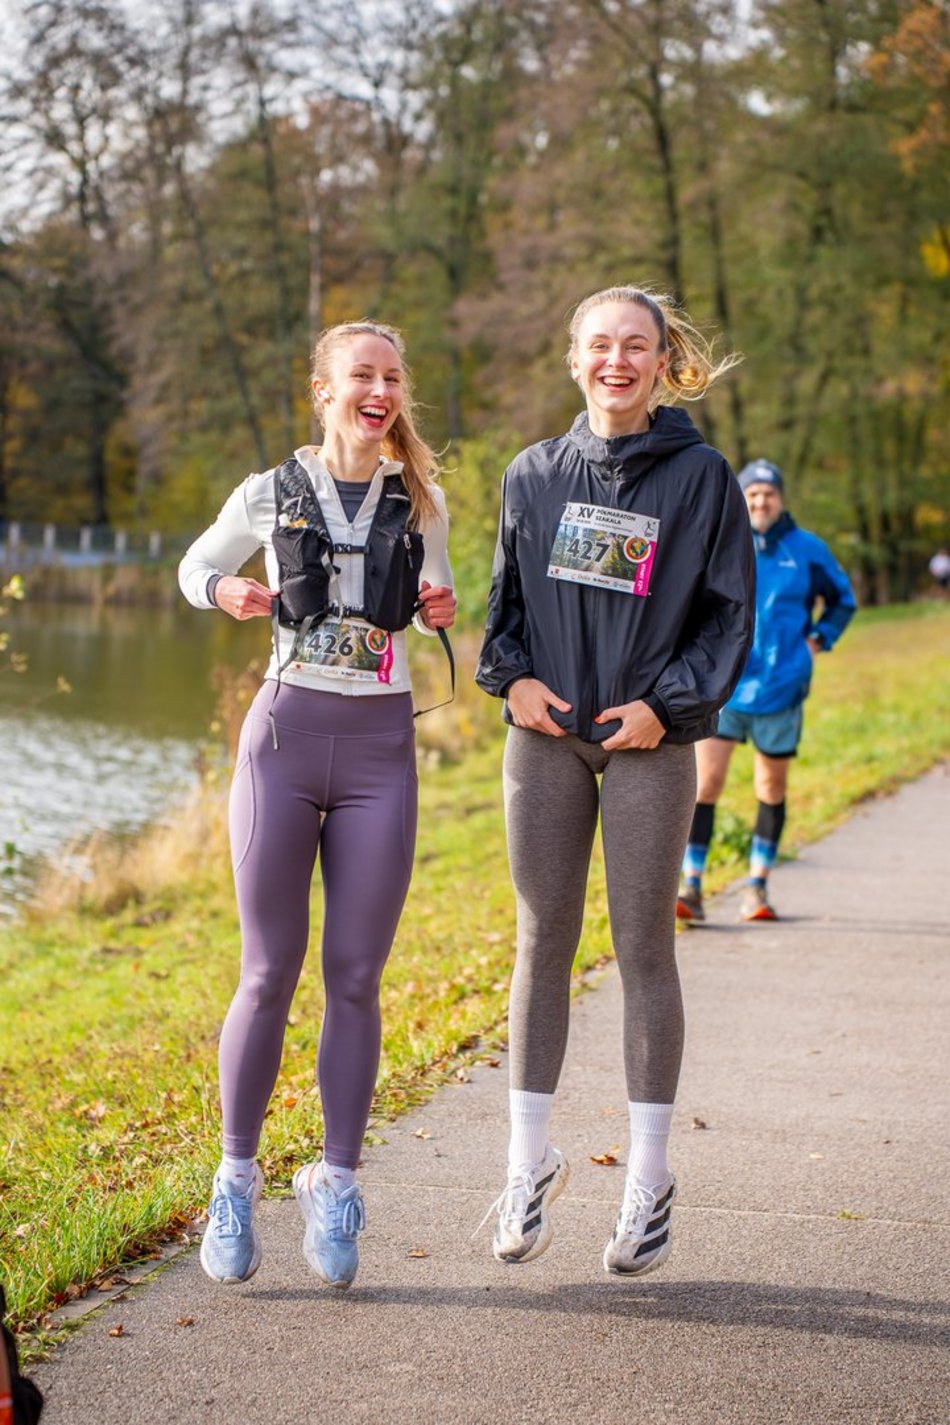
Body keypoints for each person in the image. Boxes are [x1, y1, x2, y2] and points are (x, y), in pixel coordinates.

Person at [474, 284, 754, 1277]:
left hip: (649, 741)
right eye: (599, 345)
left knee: (642, 950)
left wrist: (667, 706)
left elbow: (726, 619)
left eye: (634, 347)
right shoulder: (530, 474)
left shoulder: (701, 478)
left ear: (661, 361)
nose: (615, 362)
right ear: (573, 356)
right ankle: (524, 1163)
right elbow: (500, 613)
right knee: (539, 941)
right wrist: (510, 683)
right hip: (546, 740)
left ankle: (647, 1180)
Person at [178, 320, 455, 1289]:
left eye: (390, 376)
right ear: (323, 389)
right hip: (284, 744)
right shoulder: (268, 491)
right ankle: (236, 1178)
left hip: (379, 748)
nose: (377, 389)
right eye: (359, 375)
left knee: (353, 975)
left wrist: (438, 606)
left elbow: (437, 589)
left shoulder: (420, 498)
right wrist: (225, 592)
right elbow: (191, 567)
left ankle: (335, 1183)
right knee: (267, 972)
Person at [676, 458, 856, 925]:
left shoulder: (807, 548)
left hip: (782, 686)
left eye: (767, 494)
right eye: (751, 494)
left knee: (770, 786)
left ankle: (757, 887)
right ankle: (691, 887)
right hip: (725, 688)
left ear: (780, 499)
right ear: (741, 499)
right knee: (705, 784)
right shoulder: (722, 541)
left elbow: (843, 599)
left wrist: (819, 640)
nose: (759, 501)